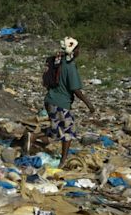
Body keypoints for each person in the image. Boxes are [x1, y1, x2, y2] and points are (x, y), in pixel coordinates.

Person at [23, 37, 95, 168]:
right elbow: (75, 89)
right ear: (73, 50)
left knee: (57, 127)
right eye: (78, 48)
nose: (79, 51)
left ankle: (32, 136)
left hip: (50, 101)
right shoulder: (70, 66)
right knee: (68, 132)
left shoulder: (57, 61)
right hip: (61, 103)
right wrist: (88, 104)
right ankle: (63, 161)